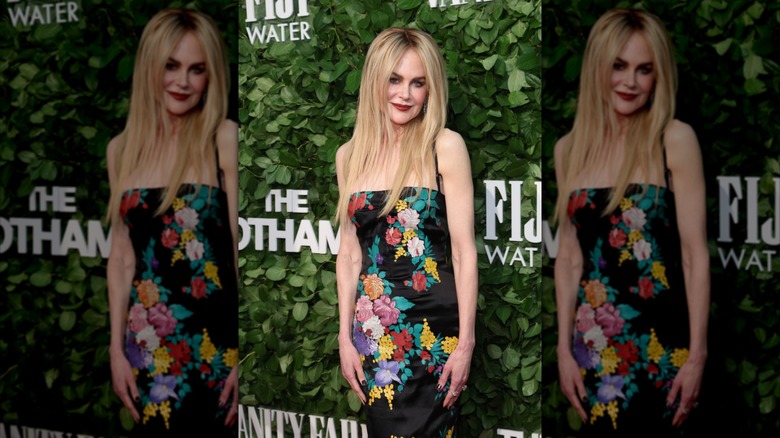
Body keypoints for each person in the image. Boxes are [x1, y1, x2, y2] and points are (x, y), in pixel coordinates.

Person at [553, 8, 709, 436]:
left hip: (663, 348)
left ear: (659, 77)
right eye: (618, 66)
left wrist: (697, 356)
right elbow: (568, 259)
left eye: (645, 70)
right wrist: (563, 349)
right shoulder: (569, 150)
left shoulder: (673, 140)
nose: (630, 82)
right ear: (597, 67)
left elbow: (694, 255)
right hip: (595, 347)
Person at [335, 28, 478, 437]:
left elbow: (465, 252)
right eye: (394, 79)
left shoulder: (445, 146)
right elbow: (348, 255)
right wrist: (344, 338)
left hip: (435, 332)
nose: (405, 94)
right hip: (376, 333)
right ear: (375, 81)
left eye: (418, 83)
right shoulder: (349, 155)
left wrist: (466, 343)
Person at [105, 9, 238, 435]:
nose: (182, 81)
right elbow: (122, 258)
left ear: (211, 76)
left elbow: (238, 249)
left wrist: (242, 353)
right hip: (148, 347)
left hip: (214, 348)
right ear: (150, 67)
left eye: (197, 69)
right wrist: (116, 350)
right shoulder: (122, 150)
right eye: (171, 65)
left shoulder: (223, 139)